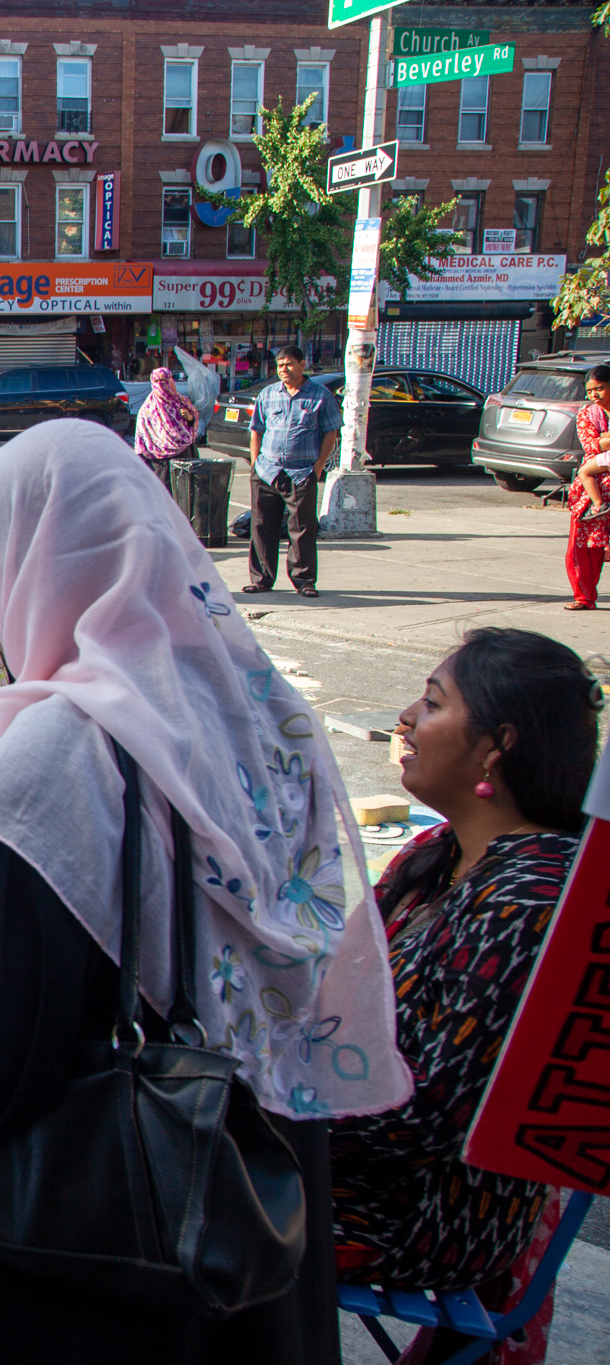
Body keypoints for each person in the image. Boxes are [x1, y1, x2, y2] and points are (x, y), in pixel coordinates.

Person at [0, 420, 410, 1362]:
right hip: (249, 1176)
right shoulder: (259, 704)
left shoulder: (58, 759)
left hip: (116, 1233)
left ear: (33, 568)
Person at [332, 630, 599, 1353]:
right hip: (354, 1161)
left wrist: (262, 1103)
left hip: (419, 1211)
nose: (405, 718)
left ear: (496, 746)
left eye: (433, 701)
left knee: (132, 1180)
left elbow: (421, 1120)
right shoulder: (437, 855)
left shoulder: (530, 900)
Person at [243, 345, 341, 599]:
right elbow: (256, 430)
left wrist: (317, 467)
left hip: (301, 472)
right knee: (262, 526)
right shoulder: (268, 394)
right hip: (267, 471)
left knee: (302, 528)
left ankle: (304, 579)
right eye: (279, 365)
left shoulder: (320, 396)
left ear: (302, 364)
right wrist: (255, 464)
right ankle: (262, 578)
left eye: (288, 364)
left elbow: (331, 432)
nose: (283, 369)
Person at [562, 365, 610, 610]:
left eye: (600, 388)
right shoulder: (587, 413)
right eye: (591, 391)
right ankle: (584, 597)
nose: (595, 395)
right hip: (591, 491)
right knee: (582, 545)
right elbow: (591, 445)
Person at [133, 366, 200, 475]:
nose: (160, 385)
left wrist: (190, 418)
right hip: (159, 463)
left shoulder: (182, 402)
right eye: (156, 381)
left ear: (171, 381)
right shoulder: (147, 409)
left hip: (183, 457)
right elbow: (141, 440)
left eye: (164, 381)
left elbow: (194, 419)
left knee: (182, 490)